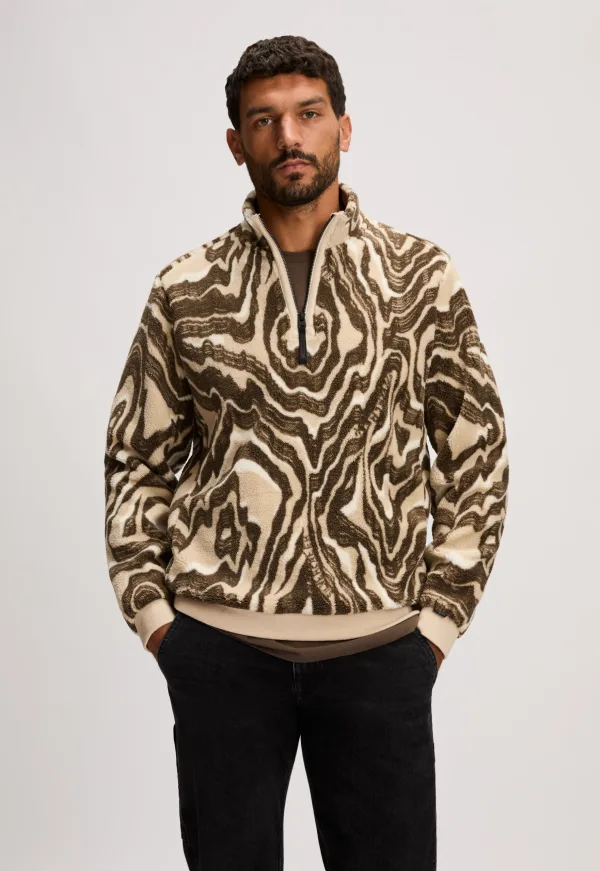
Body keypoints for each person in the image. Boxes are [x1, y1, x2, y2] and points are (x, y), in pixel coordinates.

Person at [103, 34, 509, 871]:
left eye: (309, 114)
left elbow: (477, 451)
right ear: (236, 143)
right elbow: (135, 458)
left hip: (383, 649)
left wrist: (437, 622)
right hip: (221, 649)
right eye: (264, 120)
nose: (289, 135)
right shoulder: (186, 288)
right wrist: (157, 620)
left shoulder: (419, 277)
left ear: (344, 128)